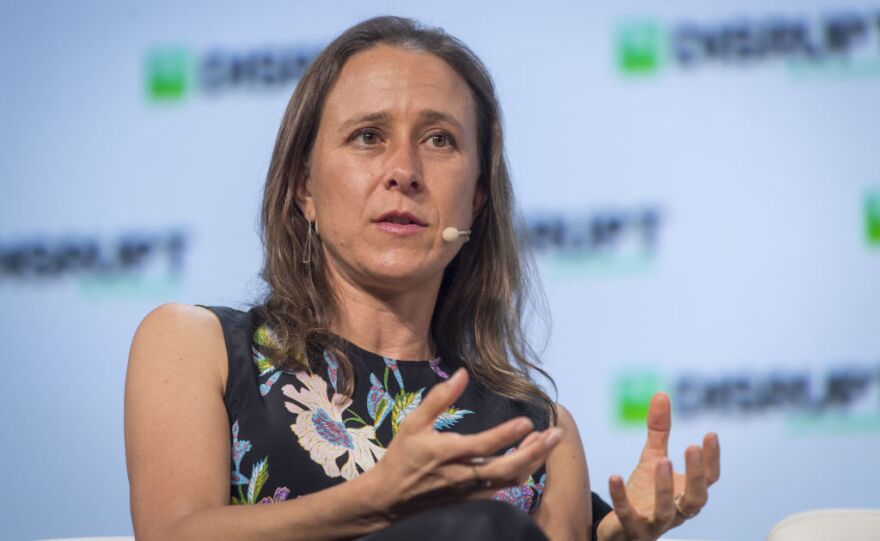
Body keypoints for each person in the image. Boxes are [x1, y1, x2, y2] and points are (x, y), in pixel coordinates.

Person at [124, 16, 720, 541]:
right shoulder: (199, 347)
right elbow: (173, 534)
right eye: (368, 137)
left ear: (477, 198)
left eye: (439, 140)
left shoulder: (540, 431)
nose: (404, 171)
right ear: (303, 186)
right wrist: (377, 500)